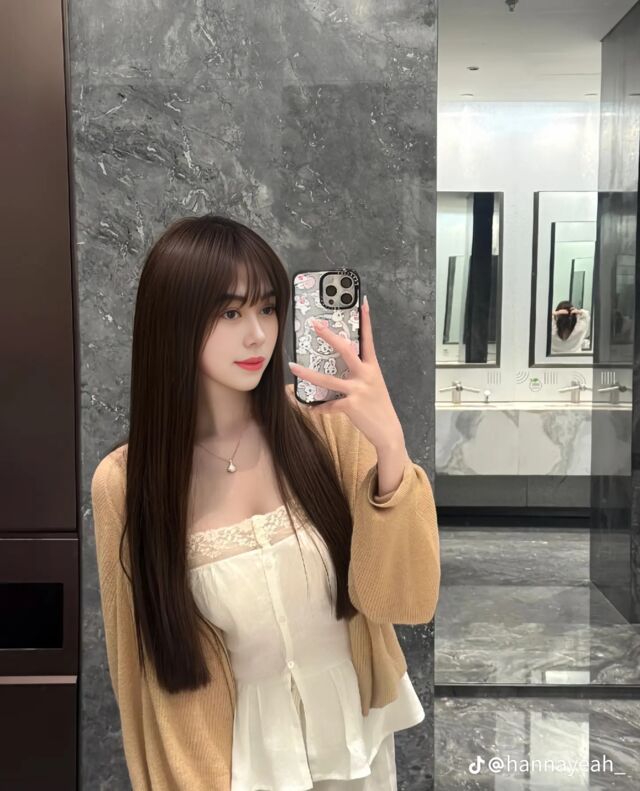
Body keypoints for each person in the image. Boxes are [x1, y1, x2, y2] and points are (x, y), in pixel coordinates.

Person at [91, 214, 441, 790]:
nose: (257, 334)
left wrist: (390, 448)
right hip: (233, 765)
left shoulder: (326, 425)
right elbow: (135, 674)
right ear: (172, 321)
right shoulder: (127, 482)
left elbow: (404, 600)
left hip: (353, 744)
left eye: (268, 308)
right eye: (230, 313)